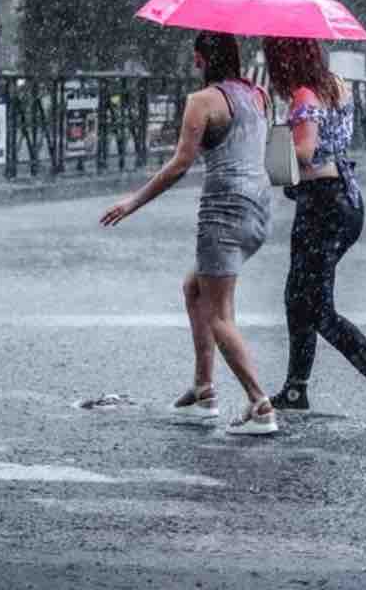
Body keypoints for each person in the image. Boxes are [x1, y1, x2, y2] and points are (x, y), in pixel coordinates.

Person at [100, 31, 277, 435]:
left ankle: (260, 404)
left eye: (196, 57)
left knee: (219, 313)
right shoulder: (259, 96)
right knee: (195, 288)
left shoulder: (202, 101)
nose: (194, 63)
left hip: (224, 212)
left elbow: (181, 164)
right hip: (259, 210)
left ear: (201, 59)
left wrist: (132, 202)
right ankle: (203, 390)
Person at [263, 36, 366, 430]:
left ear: (283, 60)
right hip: (345, 201)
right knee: (298, 296)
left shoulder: (304, 95)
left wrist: (271, 142)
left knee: (315, 306)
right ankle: (295, 389)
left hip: (322, 205)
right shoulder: (336, 86)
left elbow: (304, 152)